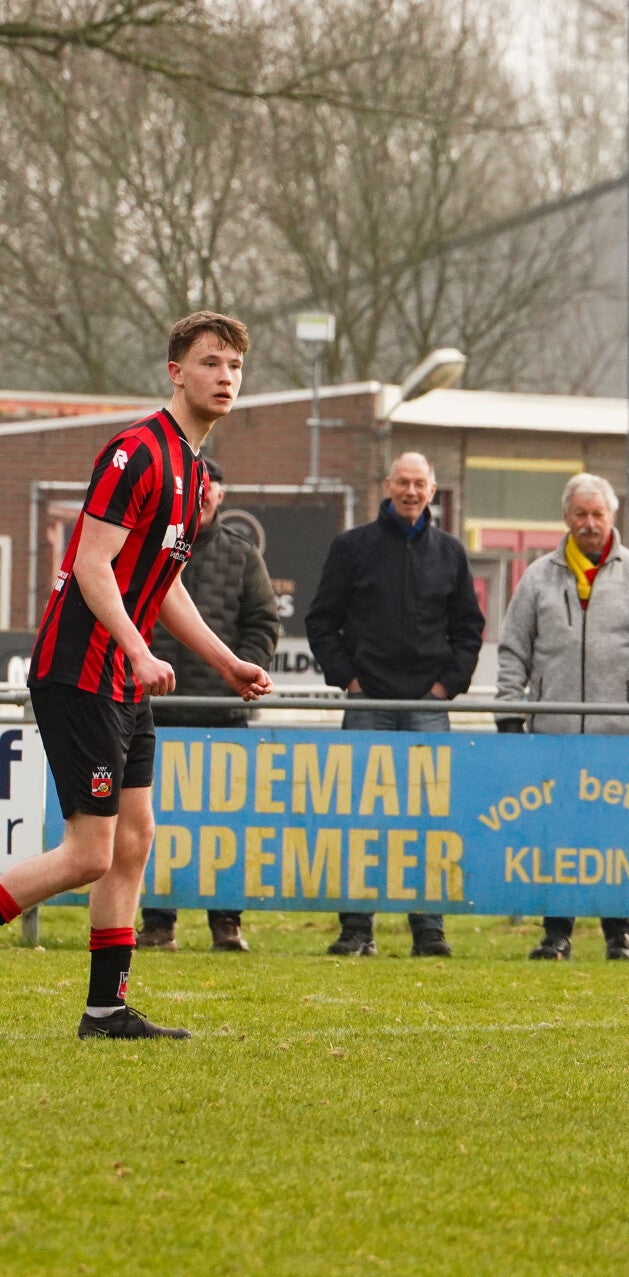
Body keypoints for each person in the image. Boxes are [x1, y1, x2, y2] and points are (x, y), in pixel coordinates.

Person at [0, 311, 272, 1038]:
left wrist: (225, 661)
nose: (226, 377)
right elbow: (92, 565)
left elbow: (163, 581)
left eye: (235, 366)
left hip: (121, 677)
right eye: (211, 362)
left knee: (134, 838)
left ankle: (106, 1009)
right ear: (176, 373)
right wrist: (140, 650)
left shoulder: (193, 470)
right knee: (89, 853)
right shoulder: (138, 452)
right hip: (80, 670)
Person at [307, 451, 483, 958]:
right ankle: (356, 928)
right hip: (368, 703)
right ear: (387, 485)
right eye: (403, 482)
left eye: (419, 483)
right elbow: (322, 621)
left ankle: (429, 930)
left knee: (430, 820)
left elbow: (469, 628)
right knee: (360, 818)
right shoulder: (351, 547)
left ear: (432, 490)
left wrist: (446, 687)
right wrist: (349, 680)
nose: (410, 491)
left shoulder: (451, 552)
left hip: (429, 707)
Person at [494, 472, 629, 961]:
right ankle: (556, 933)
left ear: (613, 516)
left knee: (616, 835)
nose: (590, 523)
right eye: (581, 514)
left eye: (598, 514)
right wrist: (509, 714)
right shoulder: (537, 577)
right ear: (566, 517)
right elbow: (513, 650)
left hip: (620, 735)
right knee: (555, 833)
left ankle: (619, 934)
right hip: (552, 733)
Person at [138, 457, 281, 954]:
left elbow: (264, 622)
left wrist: (238, 676)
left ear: (221, 494)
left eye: (211, 486)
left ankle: (226, 923)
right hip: (156, 710)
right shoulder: (152, 548)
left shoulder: (243, 555)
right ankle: (158, 922)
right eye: (196, 484)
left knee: (228, 826)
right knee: (153, 822)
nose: (203, 494)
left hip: (224, 716)